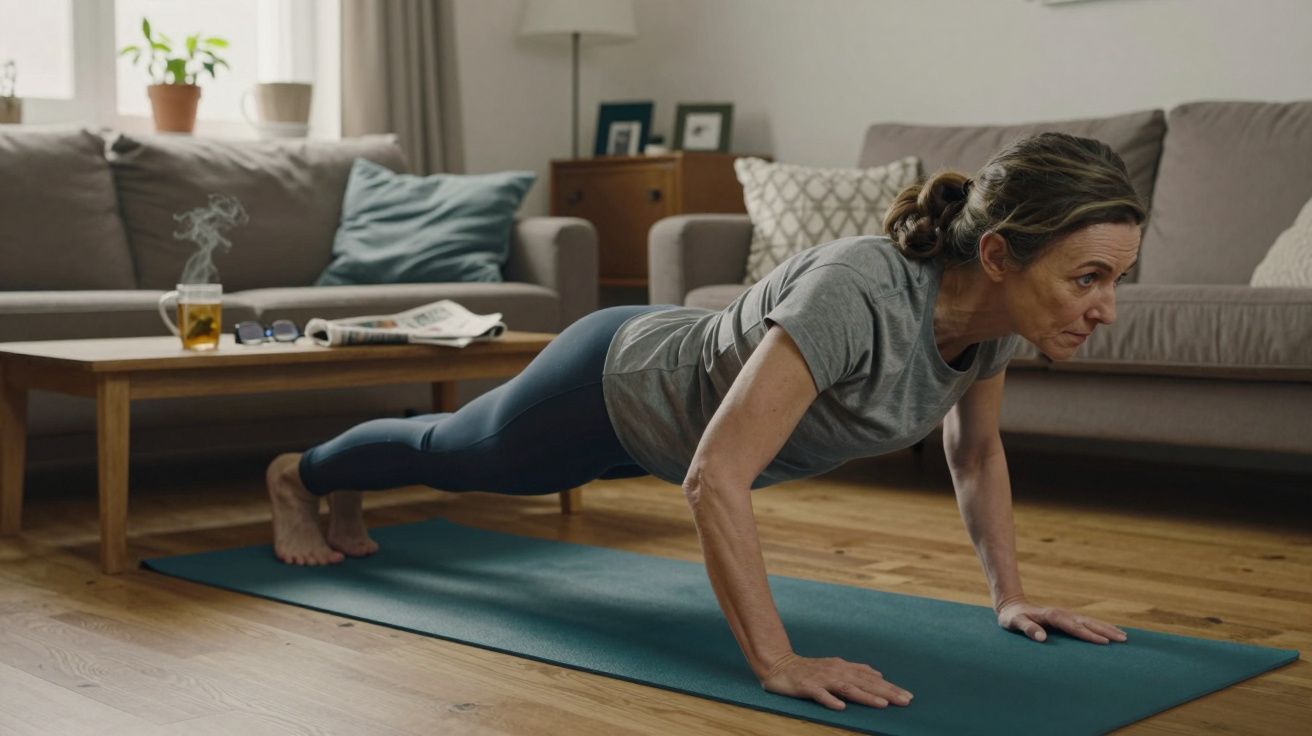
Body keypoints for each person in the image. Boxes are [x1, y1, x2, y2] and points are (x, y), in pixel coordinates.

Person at [266, 131, 1142, 712]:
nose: (1105, 307)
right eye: (1088, 277)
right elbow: (714, 477)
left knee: (450, 460)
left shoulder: (996, 326)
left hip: (671, 427)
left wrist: (1010, 595)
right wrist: (777, 661)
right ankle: (302, 476)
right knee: (453, 455)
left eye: (1115, 280)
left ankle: (345, 493)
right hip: (612, 387)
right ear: (996, 254)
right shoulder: (861, 291)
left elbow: (977, 453)